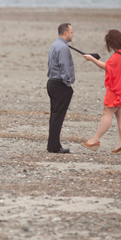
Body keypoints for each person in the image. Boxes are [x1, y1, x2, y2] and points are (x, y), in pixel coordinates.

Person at [81, 29, 121, 155]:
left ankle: (95, 140)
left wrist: (92, 59)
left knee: (108, 112)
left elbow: (108, 67)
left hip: (118, 88)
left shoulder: (119, 55)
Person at [46, 23, 75, 153]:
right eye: (72, 32)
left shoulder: (54, 45)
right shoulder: (62, 47)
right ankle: (53, 147)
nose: (72, 35)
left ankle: (54, 145)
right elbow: (64, 66)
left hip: (52, 82)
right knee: (57, 117)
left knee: (55, 116)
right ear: (65, 33)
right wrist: (68, 83)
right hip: (59, 84)